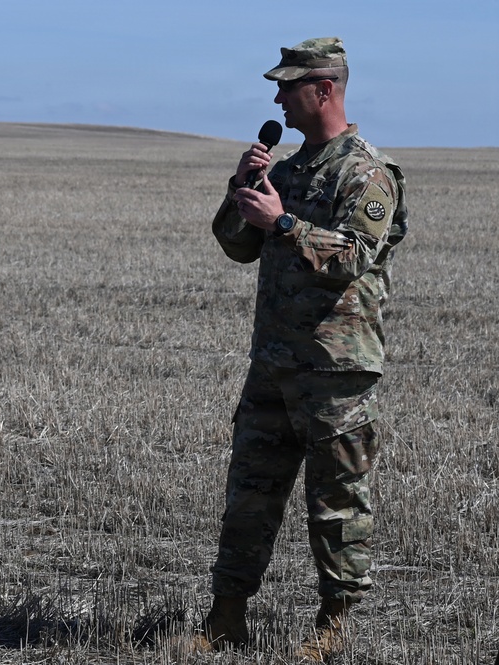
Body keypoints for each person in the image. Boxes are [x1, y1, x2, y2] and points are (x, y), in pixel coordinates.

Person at [190, 37, 408, 660]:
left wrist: (284, 222)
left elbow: (354, 258)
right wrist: (243, 187)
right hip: (274, 366)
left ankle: (332, 625)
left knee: (336, 501)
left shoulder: (366, 172)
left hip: (335, 371)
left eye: (288, 86)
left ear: (324, 90)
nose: (277, 97)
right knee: (249, 496)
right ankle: (226, 616)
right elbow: (236, 245)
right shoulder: (286, 170)